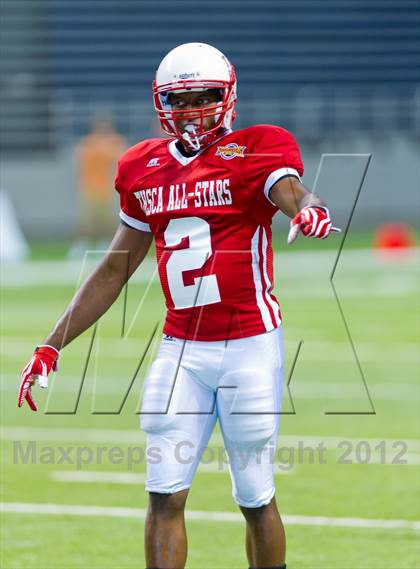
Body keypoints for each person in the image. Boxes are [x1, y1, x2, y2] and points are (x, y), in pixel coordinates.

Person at [18, 43, 337, 569]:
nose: (191, 108)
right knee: (164, 493)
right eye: (179, 98)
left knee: (255, 497)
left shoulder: (257, 147)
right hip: (181, 348)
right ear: (161, 102)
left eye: (204, 95)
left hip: (250, 346)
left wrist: (309, 209)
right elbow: (116, 268)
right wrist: (51, 345)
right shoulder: (142, 167)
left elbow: (292, 190)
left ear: (227, 95)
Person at [69, 117, 126, 257]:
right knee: (87, 220)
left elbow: (121, 162)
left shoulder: (115, 143)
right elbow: (79, 163)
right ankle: (81, 245)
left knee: (108, 220)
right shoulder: (88, 143)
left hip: (108, 189)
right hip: (90, 187)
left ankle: (105, 244)